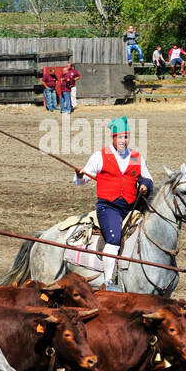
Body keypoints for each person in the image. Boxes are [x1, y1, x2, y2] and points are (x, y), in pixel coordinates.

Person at [73, 116, 152, 292]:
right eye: (121, 137)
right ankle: (109, 282)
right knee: (114, 239)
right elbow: (82, 180)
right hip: (108, 207)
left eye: (127, 137)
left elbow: (147, 177)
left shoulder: (136, 157)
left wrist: (146, 184)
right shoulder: (100, 156)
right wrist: (79, 175)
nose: (124, 141)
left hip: (131, 208)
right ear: (113, 137)